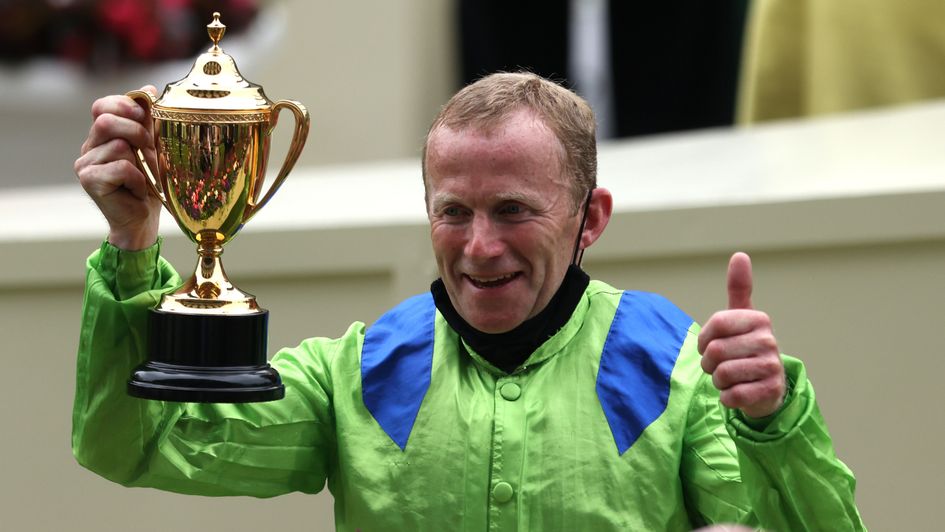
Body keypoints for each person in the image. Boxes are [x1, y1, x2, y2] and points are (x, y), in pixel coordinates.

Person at [72, 72, 865, 530]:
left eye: (514, 210)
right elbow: (134, 443)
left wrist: (771, 422)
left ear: (590, 218)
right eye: (453, 211)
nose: (479, 246)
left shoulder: (677, 370)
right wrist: (136, 244)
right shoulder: (354, 372)